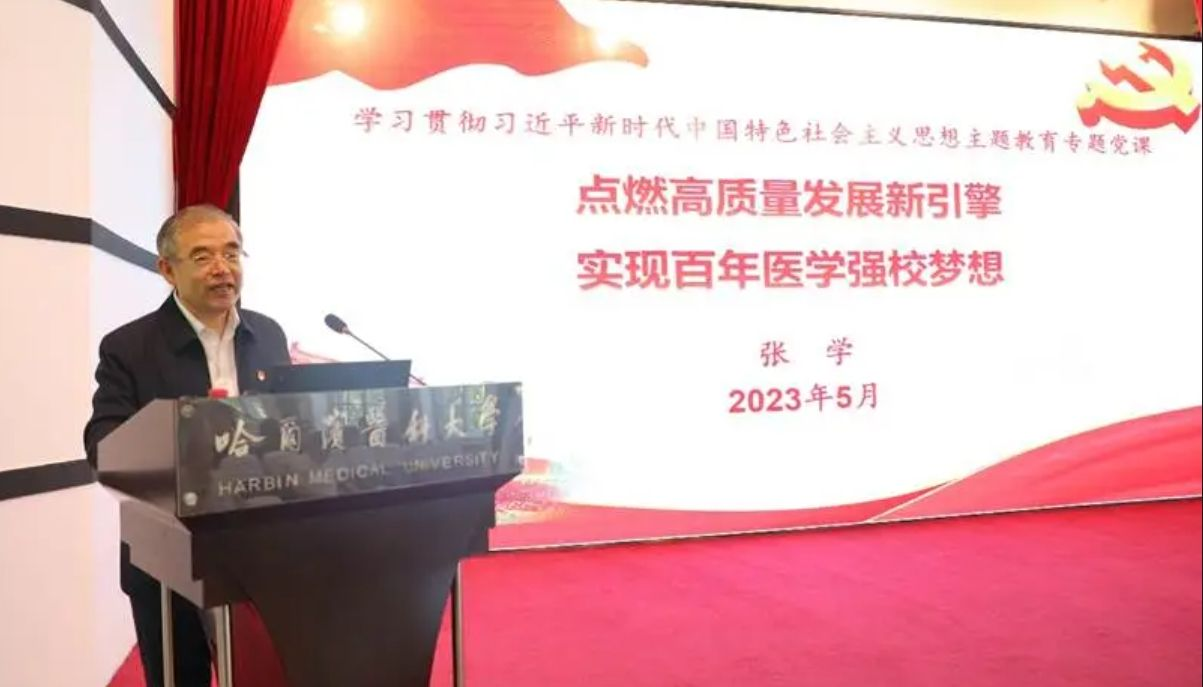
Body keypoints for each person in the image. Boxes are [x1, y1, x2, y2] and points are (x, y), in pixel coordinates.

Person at [84, 204, 291, 687]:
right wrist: (186, 439)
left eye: (232, 253)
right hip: (168, 553)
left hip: (262, 546)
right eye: (202, 256)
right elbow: (103, 443)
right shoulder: (129, 347)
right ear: (167, 270)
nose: (222, 268)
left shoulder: (267, 334)